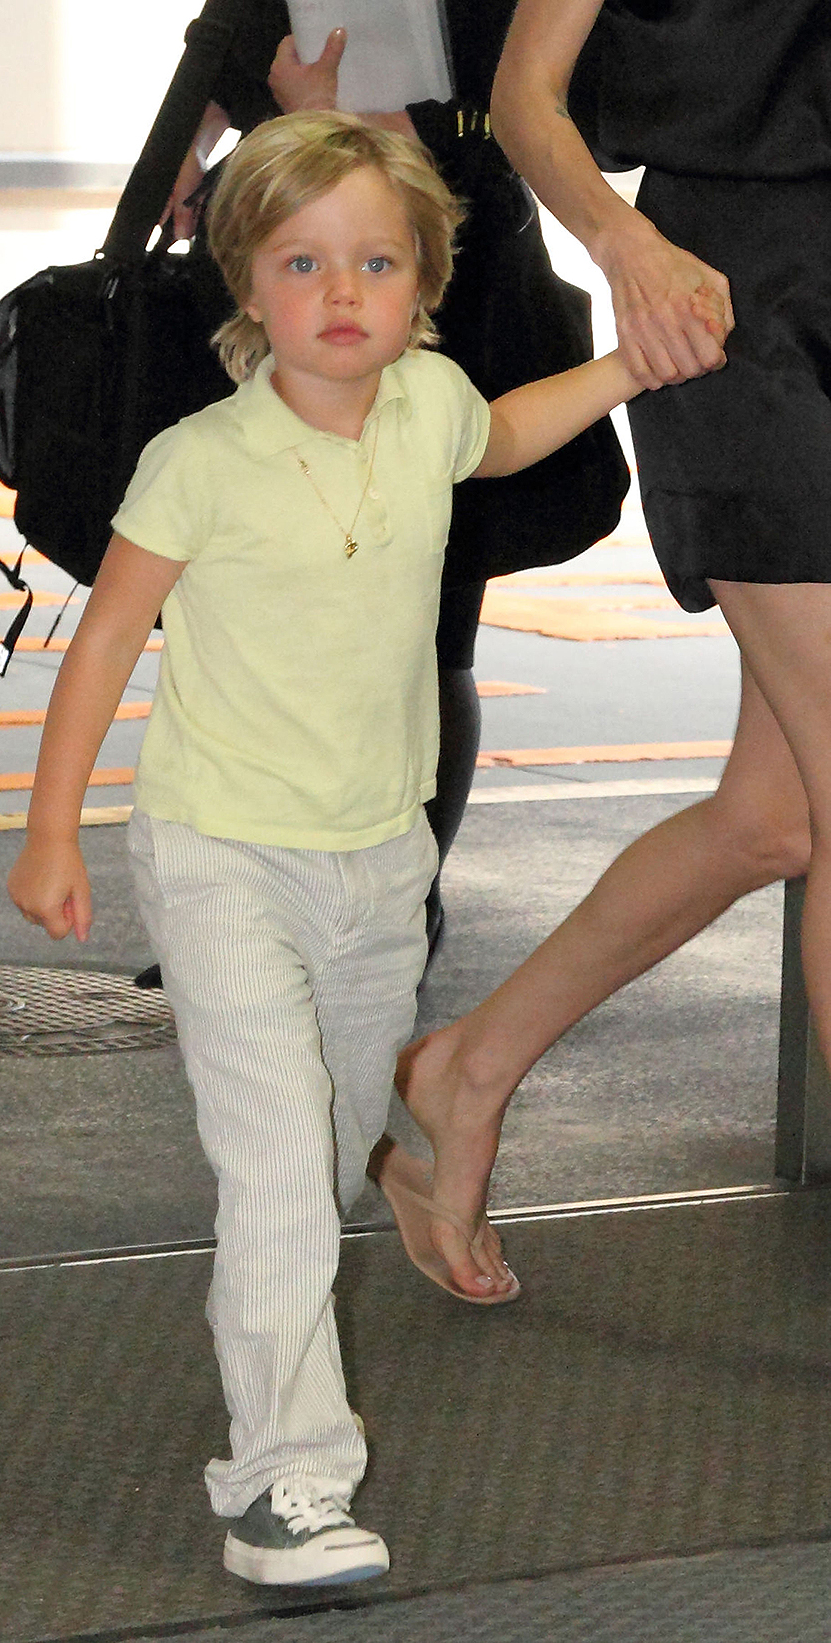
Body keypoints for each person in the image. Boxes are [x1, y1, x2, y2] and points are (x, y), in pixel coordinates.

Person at [7, 109, 672, 1585]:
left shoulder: (432, 400)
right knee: (275, 1180)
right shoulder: (201, 460)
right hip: (222, 850)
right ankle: (284, 1483)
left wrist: (627, 365)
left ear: (423, 283)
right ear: (249, 281)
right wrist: (54, 829)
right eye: (304, 261)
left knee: (326, 1164)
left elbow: (501, 435)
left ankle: (329, 1246)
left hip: (379, 858)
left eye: (377, 260)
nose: (342, 291)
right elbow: (109, 633)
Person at [376, 0, 831, 1304]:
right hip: (734, 307)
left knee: (775, 812)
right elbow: (529, 92)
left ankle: (469, 1063)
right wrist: (624, 245)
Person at [131, 0, 629, 982]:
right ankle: (255, 911)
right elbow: (232, 37)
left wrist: (410, 127)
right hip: (302, 284)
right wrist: (186, 148)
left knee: (429, 619)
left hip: (454, 282)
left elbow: (562, 98)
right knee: (260, 611)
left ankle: (401, 899)